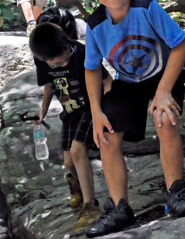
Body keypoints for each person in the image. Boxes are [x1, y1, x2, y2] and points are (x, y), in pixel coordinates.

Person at [83, 0, 185, 237]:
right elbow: (92, 69)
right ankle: (120, 209)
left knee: (165, 119)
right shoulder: (95, 24)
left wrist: (163, 92)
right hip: (128, 82)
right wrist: (97, 112)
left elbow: (179, 45)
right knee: (106, 137)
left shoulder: (147, 8)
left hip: (164, 75)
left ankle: (176, 194)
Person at [29, 21, 112, 231]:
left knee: (77, 151)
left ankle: (90, 206)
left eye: (65, 58)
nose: (62, 65)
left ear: (67, 45)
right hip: (70, 112)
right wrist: (42, 112)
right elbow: (49, 85)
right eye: (56, 64)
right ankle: (77, 187)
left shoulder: (83, 53)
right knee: (68, 162)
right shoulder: (43, 62)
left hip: (91, 108)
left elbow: (106, 79)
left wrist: (106, 109)